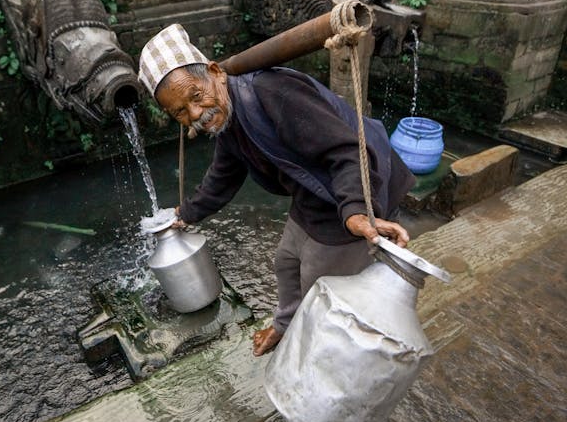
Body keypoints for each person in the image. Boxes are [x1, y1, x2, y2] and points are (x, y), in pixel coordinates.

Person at [138, 24, 416, 356]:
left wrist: (356, 211)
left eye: (196, 96)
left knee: (319, 285)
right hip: (312, 192)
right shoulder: (227, 116)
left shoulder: (273, 93)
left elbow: (346, 152)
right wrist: (185, 214)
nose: (196, 114)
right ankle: (285, 326)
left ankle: (321, 354)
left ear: (215, 73)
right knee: (286, 261)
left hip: (356, 185)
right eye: (180, 112)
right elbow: (223, 175)